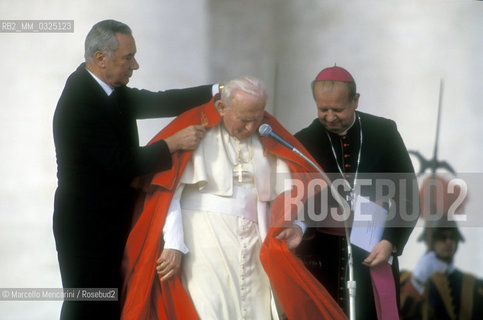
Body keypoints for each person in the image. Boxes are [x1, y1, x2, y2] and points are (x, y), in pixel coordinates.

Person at [121, 77, 347, 319]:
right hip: (202, 242)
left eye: (257, 118)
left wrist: (297, 225)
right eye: (244, 120)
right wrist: (174, 244)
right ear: (221, 108)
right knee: (209, 309)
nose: (251, 128)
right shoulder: (193, 128)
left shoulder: (268, 134)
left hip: (254, 243)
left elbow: (294, 191)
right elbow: (168, 191)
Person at [53, 19, 217, 319]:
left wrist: (217, 90)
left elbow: (161, 101)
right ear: (101, 58)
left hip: (112, 219)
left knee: (113, 303)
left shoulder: (110, 89)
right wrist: (172, 144)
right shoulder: (79, 100)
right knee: (87, 304)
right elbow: (120, 163)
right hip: (85, 227)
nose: (136, 65)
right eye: (128, 57)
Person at [294, 65, 419, 319]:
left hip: (374, 248)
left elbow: (408, 194)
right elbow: (293, 201)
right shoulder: (303, 141)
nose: (329, 117)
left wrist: (391, 241)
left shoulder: (383, 133)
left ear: (355, 100)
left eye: (337, 109)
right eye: (322, 109)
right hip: (322, 257)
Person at [400, 220, 483, 319]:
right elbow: (399, 313)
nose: (449, 242)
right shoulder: (406, 279)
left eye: (453, 237)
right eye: (441, 237)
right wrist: (417, 280)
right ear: (429, 241)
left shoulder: (474, 284)